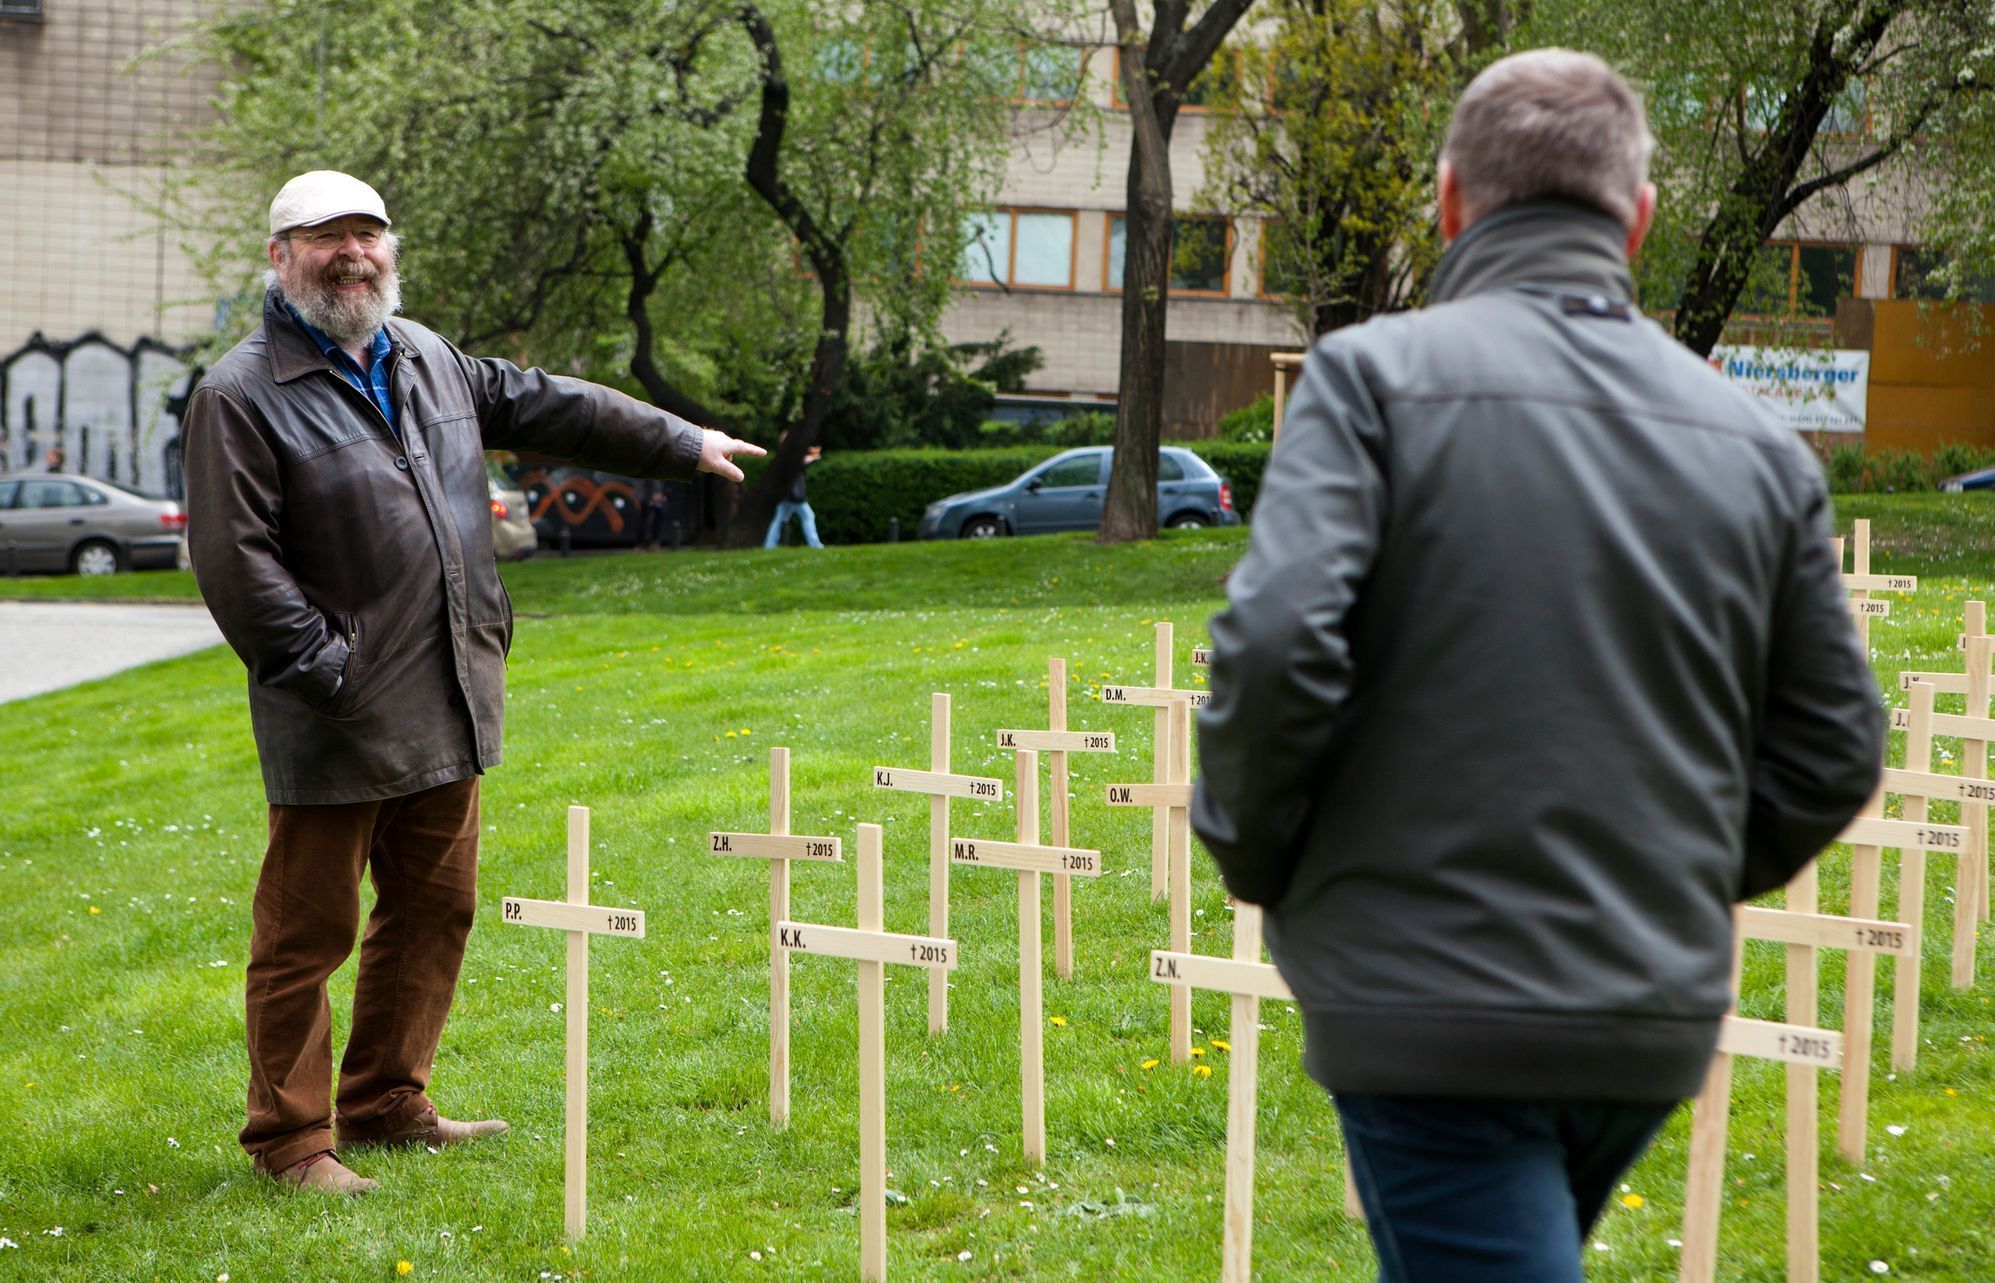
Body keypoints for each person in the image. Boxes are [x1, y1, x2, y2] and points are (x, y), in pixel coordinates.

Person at [1191, 50, 1882, 1282]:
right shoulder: (1761, 446)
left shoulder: (1370, 382)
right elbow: (1831, 744)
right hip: (1642, 1008)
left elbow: (1279, 641)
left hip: (1427, 1000)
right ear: (1640, 216)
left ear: (1450, 200)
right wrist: (1666, 873)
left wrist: (1262, 853)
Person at [183, 171, 764, 1196]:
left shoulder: (428, 359)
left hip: (448, 688)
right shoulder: (241, 393)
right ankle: (290, 1139)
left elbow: (557, 404)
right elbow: (237, 564)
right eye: (327, 238)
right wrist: (329, 668)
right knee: (303, 935)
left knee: (433, 910)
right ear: (279, 256)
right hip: (334, 713)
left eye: (368, 234)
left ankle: (387, 1101)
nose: (353, 253)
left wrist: (684, 441)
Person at [762, 443, 824, 548]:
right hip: (795, 496)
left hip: (785, 495)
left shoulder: (783, 458)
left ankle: (769, 545)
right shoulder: (792, 458)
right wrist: (814, 457)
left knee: (778, 520)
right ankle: (815, 544)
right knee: (808, 516)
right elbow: (803, 462)